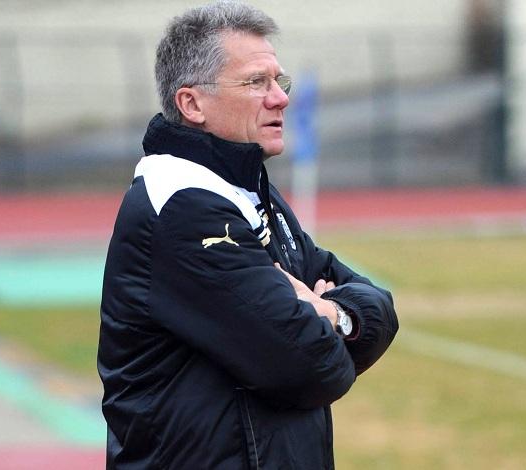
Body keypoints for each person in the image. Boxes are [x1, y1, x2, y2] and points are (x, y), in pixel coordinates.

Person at [98, 2, 398, 468]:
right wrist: (333, 320)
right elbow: (310, 366)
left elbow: (380, 307)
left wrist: (333, 315)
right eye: (256, 82)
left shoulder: (248, 190)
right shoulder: (183, 205)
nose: (279, 98)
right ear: (192, 104)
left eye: (280, 81)